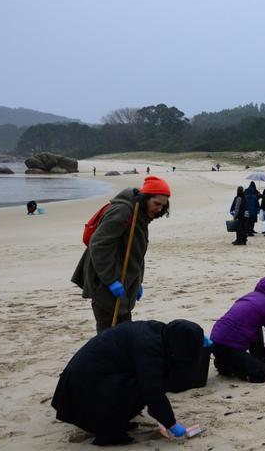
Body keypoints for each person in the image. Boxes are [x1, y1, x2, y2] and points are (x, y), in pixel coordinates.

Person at [51, 319, 205, 445]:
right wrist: (171, 424)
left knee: (140, 383)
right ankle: (108, 431)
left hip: (87, 380)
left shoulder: (160, 333)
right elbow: (152, 391)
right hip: (82, 389)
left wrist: (161, 416)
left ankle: (115, 422)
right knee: (138, 386)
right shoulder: (149, 347)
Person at [72, 176, 171, 334]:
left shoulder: (141, 214)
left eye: (163, 205)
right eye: (156, 203)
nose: (159, 209)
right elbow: (99, 245)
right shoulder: (123, 211)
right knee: (109, 332)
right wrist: (111, 281)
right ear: (145, 198)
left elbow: (136, 252)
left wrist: (138, 281)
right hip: (105, 280)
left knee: (123, 328)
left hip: (124, 280)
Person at [210, 276, 265, 383]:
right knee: (264, 374)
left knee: (255, 327)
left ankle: (227, 363)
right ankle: (232, 367)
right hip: (229, 347)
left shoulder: (248, 296)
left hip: (215, 341)